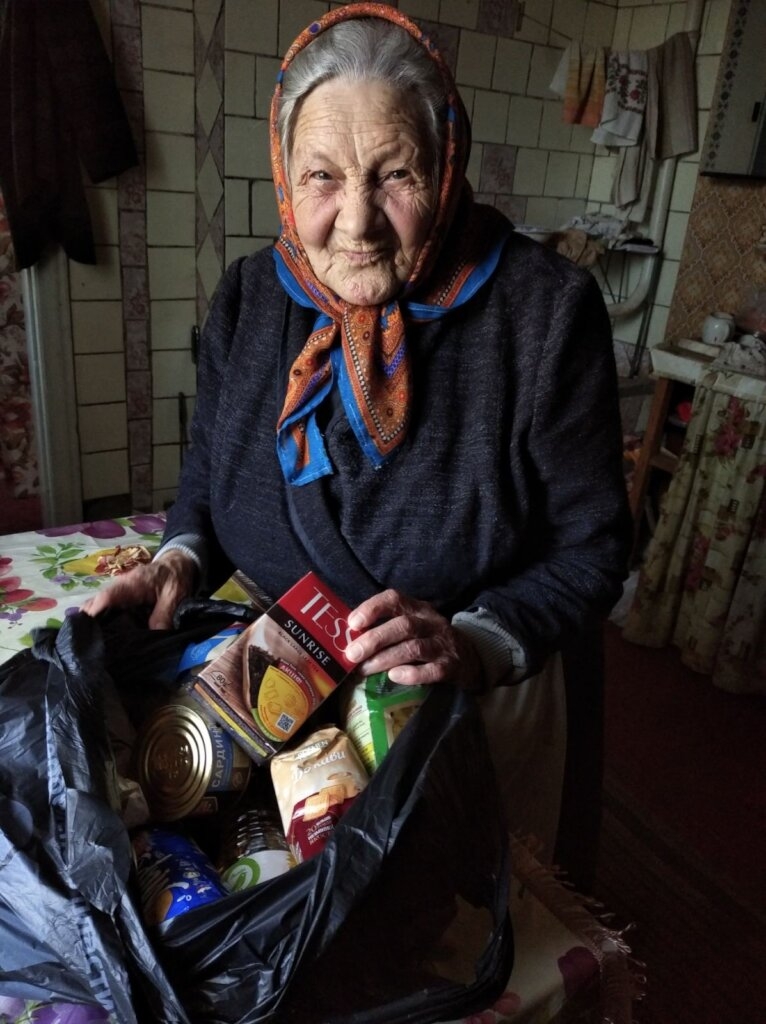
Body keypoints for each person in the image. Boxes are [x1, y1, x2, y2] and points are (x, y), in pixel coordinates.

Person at [83, 3, 630, 881]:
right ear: (284, 178)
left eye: (396, 175)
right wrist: (179, 561)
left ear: (447, 162)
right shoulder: (249, 299)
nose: (358, 221)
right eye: (323, 178)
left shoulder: (545, 314)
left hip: (457, 703)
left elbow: (594, 546)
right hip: (265, 696)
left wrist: (474, 641)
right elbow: (208, 481)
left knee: (451, 943)